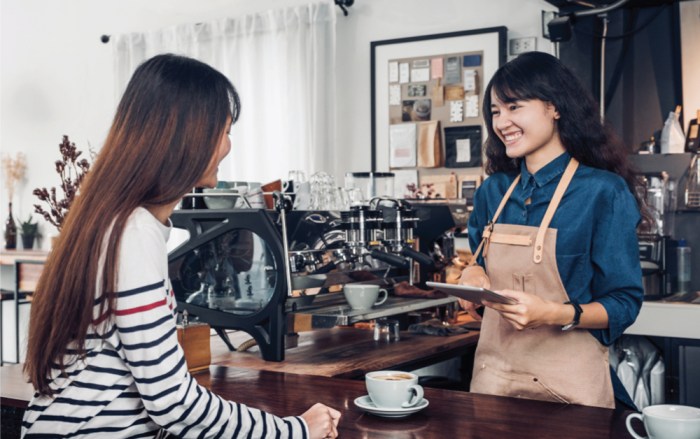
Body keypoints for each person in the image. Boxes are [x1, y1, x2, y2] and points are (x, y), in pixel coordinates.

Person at [22, 54, 341, 438]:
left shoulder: (110, 221)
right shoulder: (133, 234)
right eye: (223, 130)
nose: (227, 146)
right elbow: (173, 403)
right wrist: (293, 430)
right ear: (186, 136)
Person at [459, 51, 645, 409]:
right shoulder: (493, 192)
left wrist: (553, 313)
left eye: (514, 107)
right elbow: (480, 264)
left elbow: (623, 303)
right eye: (495, 111)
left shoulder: (602, 192)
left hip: (568, 396)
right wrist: (472, 279)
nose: (501, 122)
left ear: (554, 107)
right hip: (492, 385)